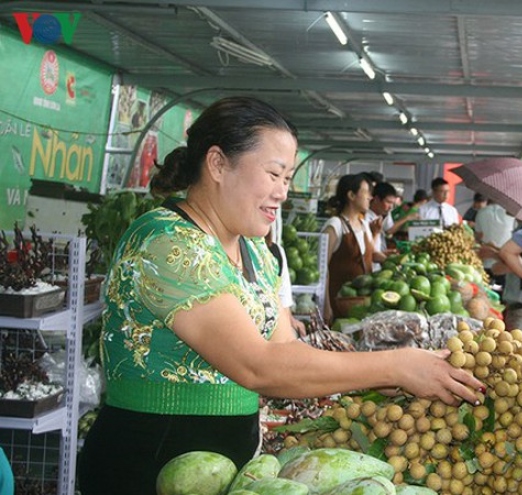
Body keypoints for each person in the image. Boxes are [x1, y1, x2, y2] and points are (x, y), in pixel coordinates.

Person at [77, 97, 482, 495]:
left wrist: (373, 372)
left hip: (231, 467)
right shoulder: (166, 241)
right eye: (274, 174)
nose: (283, 192)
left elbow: (285, 352)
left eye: (287, 179)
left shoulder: (254, 250)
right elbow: (258, 366)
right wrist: (393, 366)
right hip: (152, 462)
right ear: (218, 163)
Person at [322, 173, 375, 320]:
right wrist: (325, 305)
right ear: (351, 195)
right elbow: (321, 267)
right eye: (366, 192)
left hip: (363, 306)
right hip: (338, 304)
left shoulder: (364, 225)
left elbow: (370, 255)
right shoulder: (335, 225)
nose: (370, 197)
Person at [366, 182, 410, 270]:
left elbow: (375, 250)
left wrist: (386, 253)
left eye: (392, 204)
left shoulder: (381, 215)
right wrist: (389, 261)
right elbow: (368, 252)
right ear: (376, 199)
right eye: (388, 202)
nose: (390, 207)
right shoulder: (366, 219)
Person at [473, 198, 516, 289]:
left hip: (485, 260)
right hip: (504, 262)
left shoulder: (481, 213)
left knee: (486, 290)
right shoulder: (510, 214)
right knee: (499, 289)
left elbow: (478, 235)